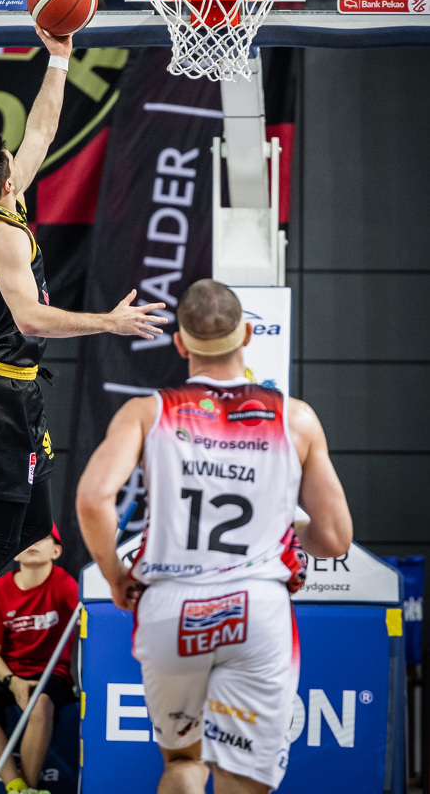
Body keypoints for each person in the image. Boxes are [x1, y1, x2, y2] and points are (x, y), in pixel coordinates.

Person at [0, 25, 167, 718]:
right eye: (15, 163)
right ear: (7, 181)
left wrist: (59, 57)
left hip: (15, 391)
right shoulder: (4, 238)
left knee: (36, 528)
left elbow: (41, 132)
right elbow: (31, 321)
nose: (24, 161)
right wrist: (109, 322)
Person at [76, 279, 353, 794]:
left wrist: (114, 574)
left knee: (183, 761)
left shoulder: (147, 411)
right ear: (247, 334)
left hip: (171, 606)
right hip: (256, 606)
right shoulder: (295, 418)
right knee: (241, 778)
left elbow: (93, 499)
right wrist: (280, 521)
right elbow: (335, 538)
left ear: (180, 344)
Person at [0, 523, 78, 794]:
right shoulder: (0, 588)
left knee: (41, 704)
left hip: (51, 673)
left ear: (56, 551)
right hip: (9, 672)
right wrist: (12, 681)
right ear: (15, 552)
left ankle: (29, 787)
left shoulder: (64, 583)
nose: (33, 542)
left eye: (42, 537)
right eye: (26, 538)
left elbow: (88, 621)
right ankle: (16, 786)